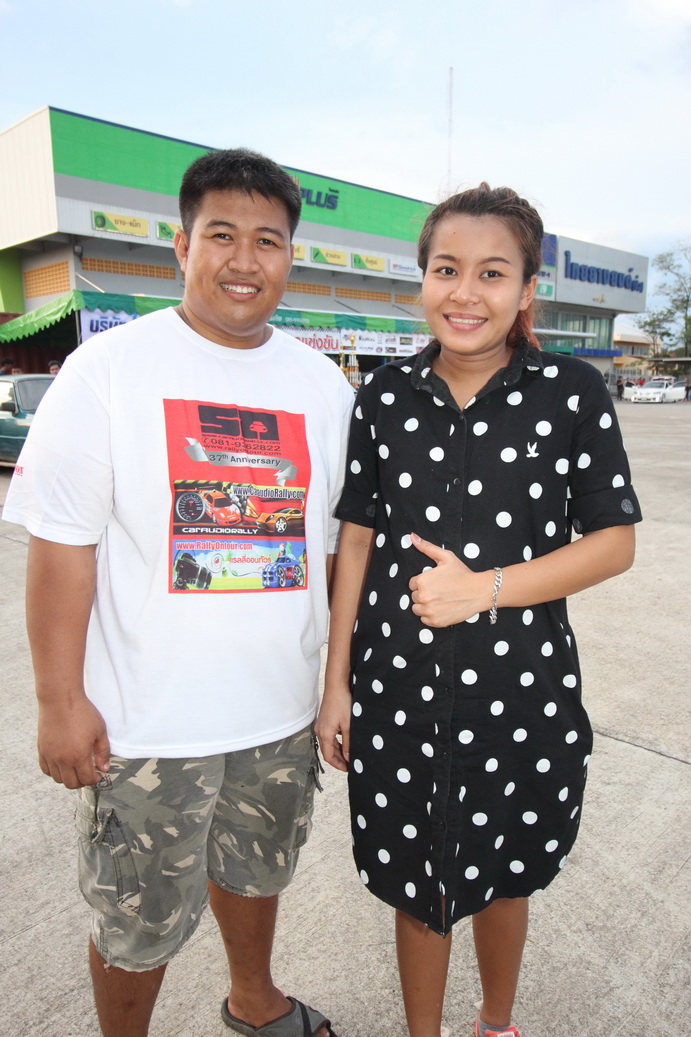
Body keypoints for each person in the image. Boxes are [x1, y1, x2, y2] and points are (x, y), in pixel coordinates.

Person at [3, 148, 354, 1037]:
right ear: (181, 245)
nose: (244, 260)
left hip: (278, 712)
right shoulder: (107, 368)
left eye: (267, 240)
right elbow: (62, 549)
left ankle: (254, 1000)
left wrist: (335, 685)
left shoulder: (323, 386)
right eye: (221, 235)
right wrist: (59, 701)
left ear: (290, 255)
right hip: (147, 725)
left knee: (257, 871)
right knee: (137, 917)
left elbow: (338, 551)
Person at [316, 183, 641, 1037]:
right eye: (445, 268)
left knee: (505, 874)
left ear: (528, 288)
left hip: (521, 691)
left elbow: (613, 541)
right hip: (396, 693)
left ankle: (496, 1023)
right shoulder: (383, 394)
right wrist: (335, 683)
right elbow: (356, 539)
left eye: (492, 273)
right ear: (421, 278)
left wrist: (485, 588)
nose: (465, 292)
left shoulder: (570, 391)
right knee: (414, 887)